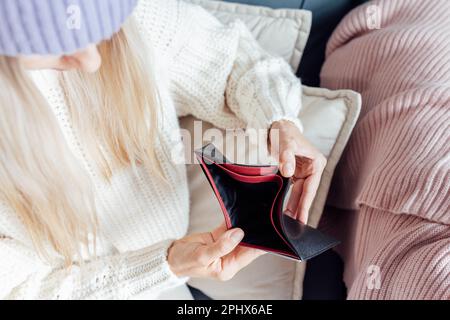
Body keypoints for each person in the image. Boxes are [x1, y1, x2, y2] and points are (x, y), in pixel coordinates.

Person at [0, 0, 326, 299]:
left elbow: (232, 60)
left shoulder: (140, 17)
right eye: (58, 46)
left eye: (100, 31)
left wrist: (278, 122)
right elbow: (23, 290)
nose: (92, 61)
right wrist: (163, 266)